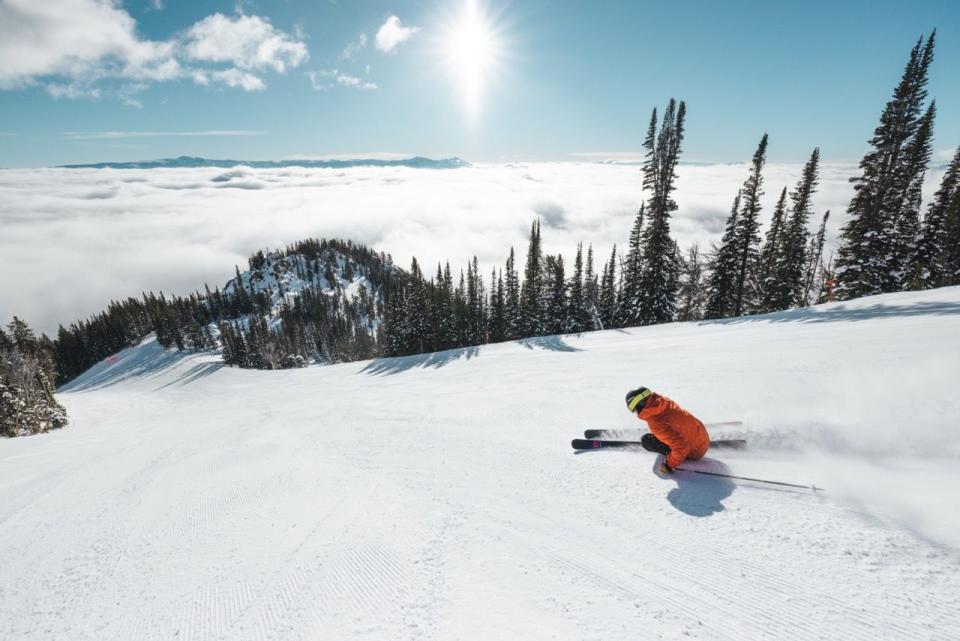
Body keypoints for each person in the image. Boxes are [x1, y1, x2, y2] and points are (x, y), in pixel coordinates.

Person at [625, 387, 710, 474]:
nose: (635, 414)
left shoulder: (655, 423)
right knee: (663, 432)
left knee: (647, 441)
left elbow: (682, 447)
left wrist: (668, 465)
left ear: (639, 405)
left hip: (694, 452)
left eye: (634, 410)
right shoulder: (664, 402)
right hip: (702, 438)